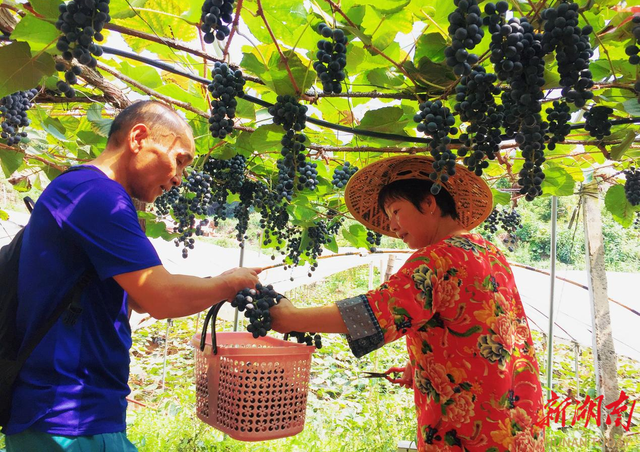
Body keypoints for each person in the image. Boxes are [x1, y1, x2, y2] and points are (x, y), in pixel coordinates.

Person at [3, 101, 261, 451]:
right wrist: (228, 284)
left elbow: (139, 298)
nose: (179, 177)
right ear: (138, 137)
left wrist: (221, 282)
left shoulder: (83, 190)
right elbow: (159, 297)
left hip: (75, 414)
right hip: (68, 417)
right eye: (180, 159)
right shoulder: (96, 195)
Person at [271, 155, 544, 452]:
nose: (392, 225)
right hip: (518, 425)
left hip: (470, 434)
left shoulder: (436, 259)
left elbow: (375, 312)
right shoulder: (489, 252)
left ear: (428, 204)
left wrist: (290, 318)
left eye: (396, 211)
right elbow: (479, 324)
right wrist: (419, 361)